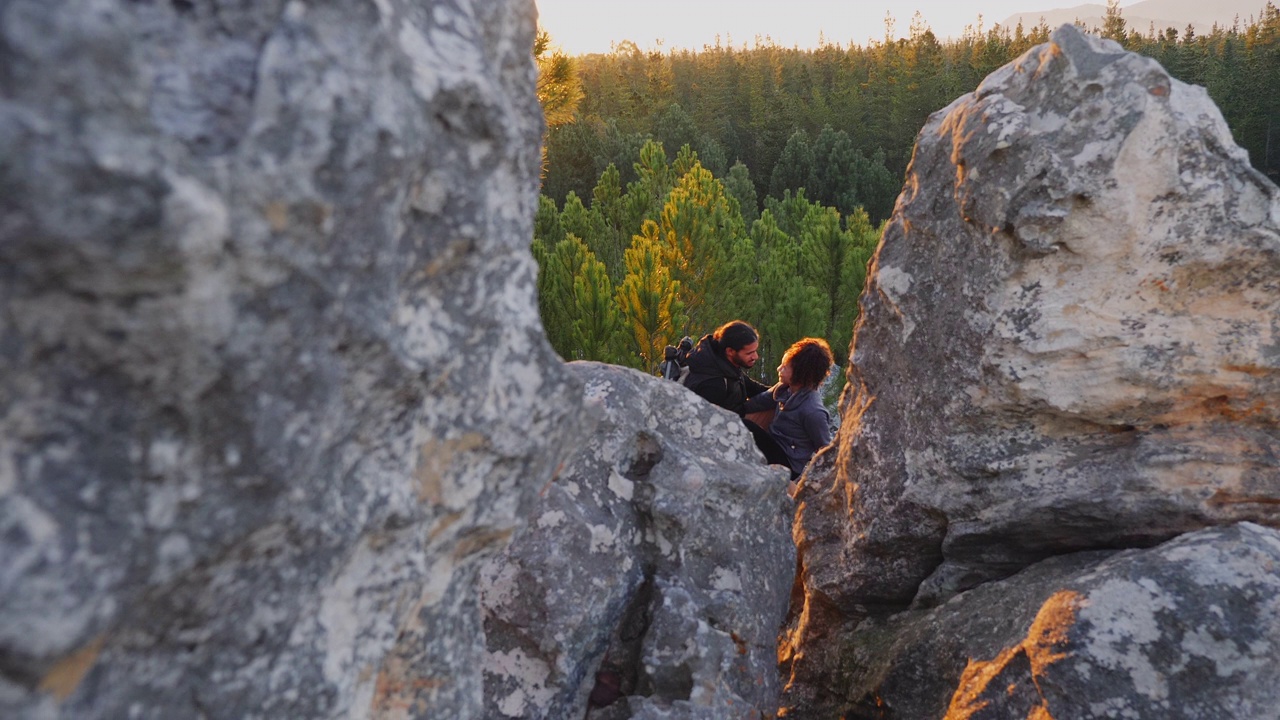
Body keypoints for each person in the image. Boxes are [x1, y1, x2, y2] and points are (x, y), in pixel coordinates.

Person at [743, 337, 835, 481]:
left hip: (788, 463)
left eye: (785, 367)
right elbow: (756, 404)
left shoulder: (813, 411)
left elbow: (826, 449)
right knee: (740, 420)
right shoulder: (784, 389)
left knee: (748, 429)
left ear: (801, 373)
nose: (779, 369)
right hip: (773, 444)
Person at [682, 320, 770, 415]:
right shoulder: (714, 384)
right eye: (749, 353)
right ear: (730, 351)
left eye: (755, 351)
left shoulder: (726, 365)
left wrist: (784, 391)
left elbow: (753, 389)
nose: (755, 357)